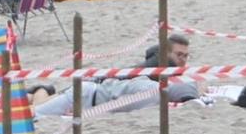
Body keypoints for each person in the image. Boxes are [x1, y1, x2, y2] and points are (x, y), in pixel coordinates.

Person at [32, 37, 200, 116]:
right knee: (35, 112)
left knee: (45, 105)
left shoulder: (163, 77)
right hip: (89, 91)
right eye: (180, 55)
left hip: (91, 91)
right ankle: (41, 90)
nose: (183, 60)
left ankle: (41, 91)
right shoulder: (154, 78)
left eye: (186, 56)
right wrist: (86, 114)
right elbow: (118, 98)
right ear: (167, 53)